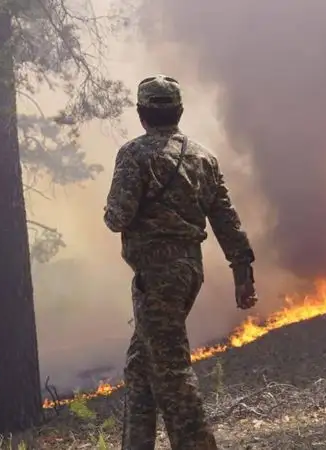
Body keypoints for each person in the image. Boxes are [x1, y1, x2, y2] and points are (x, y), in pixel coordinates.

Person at [103, 74, 258, 450]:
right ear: (179, 112)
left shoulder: (134, 155)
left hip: (156, 276)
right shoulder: (203, 157)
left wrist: (110, 212)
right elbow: (226, 219)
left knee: (171, 370)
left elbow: (117, 218)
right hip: (189, 271)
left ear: (142, 114)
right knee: (141, 367)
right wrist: (243, 272)